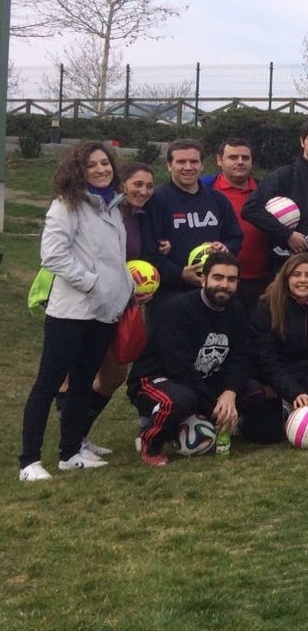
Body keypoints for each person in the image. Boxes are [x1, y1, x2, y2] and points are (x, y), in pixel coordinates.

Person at [19, 142, 133, 481]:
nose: (101, 169)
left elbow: (115, 257)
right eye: (91, 165)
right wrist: (91, 283)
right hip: (71, 311)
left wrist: (122, 288)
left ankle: (70, 453)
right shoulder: (65, 205)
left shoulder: (113, 206)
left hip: (104, 311)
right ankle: (29, 461)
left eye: (104, 163)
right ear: (77, 171)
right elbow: (53, 256)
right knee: (49, 383)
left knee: (83, 382)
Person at [129, 252, 271, 464]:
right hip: (157, 377)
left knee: (254, 392)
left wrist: (230, 392)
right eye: (218, 277)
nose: (224, 284)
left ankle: (226, 424)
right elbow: (180, 367)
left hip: (203, 377)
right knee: (182, 400)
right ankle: (151, 441)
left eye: (231, 279)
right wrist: (213, 406)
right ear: (204, 279)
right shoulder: (178, 309)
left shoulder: (237, 311)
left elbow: (240, 357)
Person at [73, 160, 160, 459]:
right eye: (138, 184)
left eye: (149, 186)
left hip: (123, 305)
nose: (144, 190)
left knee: (113, 374)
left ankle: (79, 434)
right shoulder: (107, 212)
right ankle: (72, 442)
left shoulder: (138, 215)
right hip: (93, 302)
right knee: (84, 371)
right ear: (122, 184)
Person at [243, 118, 308, 305]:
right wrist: (287, 235)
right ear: (302, 141)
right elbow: (251, 209)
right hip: (289, 268)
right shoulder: (283, 176)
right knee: (285, 324)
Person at [145, 138, 243, 295]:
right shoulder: (155, 200)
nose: (188, 167)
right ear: (169, 165)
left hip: (212, 291)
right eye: (181, 162)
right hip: (169, 293)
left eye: (194, 161)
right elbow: (147, 250)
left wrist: (226, 248)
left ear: (202, 165)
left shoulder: (218, 199)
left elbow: (235, 238)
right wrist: (180, 274)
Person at [248, 252, 308, 412]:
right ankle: (281, 404)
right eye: (296, 275)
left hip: (304, 371)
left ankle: (297, 407)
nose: (303, 280)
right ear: (286, 278)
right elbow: (265, 358)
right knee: (266, 433)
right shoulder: (266, 306)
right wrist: (291, 389)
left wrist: (293, 383)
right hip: (269, 375)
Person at [209, 138, 269, 310]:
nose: (240, 162)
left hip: (262, 277)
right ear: (220, 160)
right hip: (222, 279)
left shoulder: (265, 189)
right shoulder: (207, 190)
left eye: (245, 158)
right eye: (233, 157)